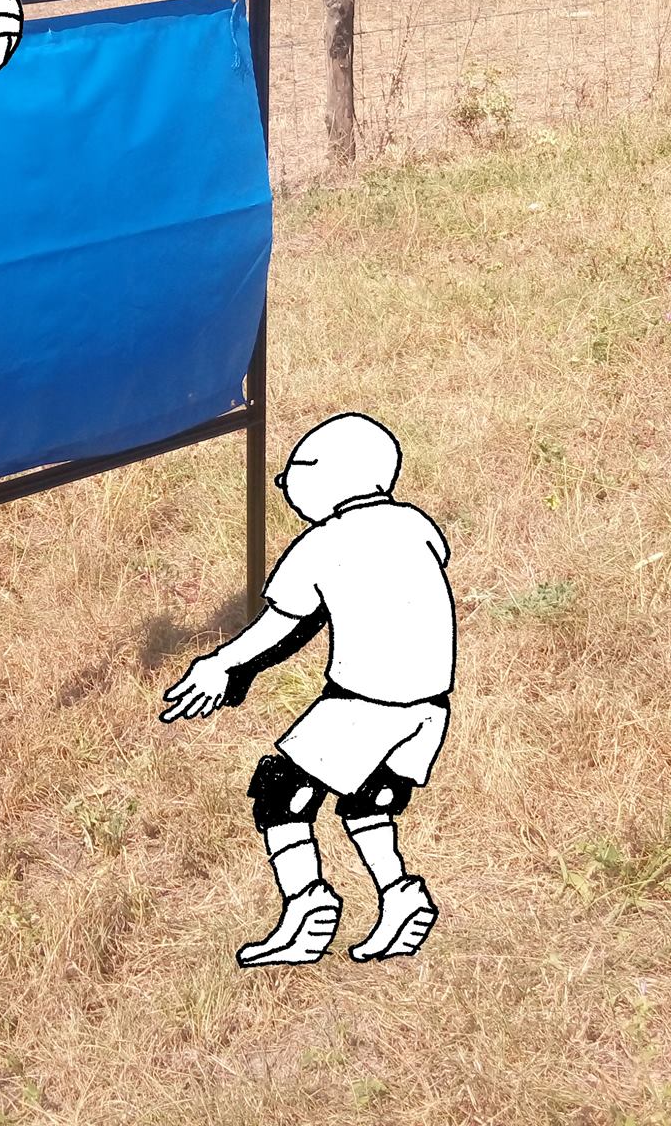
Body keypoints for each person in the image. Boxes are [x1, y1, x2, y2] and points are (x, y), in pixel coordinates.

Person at [162, 413, 458, 966]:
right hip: (429, 709)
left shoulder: (322, 544)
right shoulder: (417, 524)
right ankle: (399, 894)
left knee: (280, 791)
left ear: (324, 473)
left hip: (367, 702)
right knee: (368, 801)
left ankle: (307, 905)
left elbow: (281, 626)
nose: (284, 484)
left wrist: (221, 664)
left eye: (292, 471)